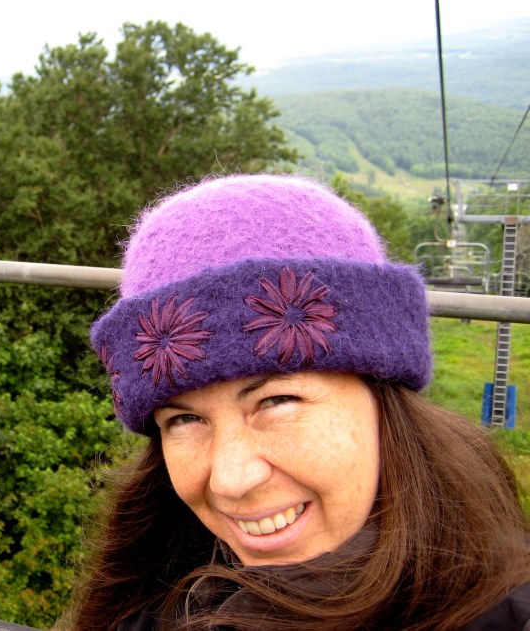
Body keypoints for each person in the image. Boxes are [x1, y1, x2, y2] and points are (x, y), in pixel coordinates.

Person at [67, 175, 530, 630]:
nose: (231, 480)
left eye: (276, 401)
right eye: (185, 418)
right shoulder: (149, 601)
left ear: (382, 392)